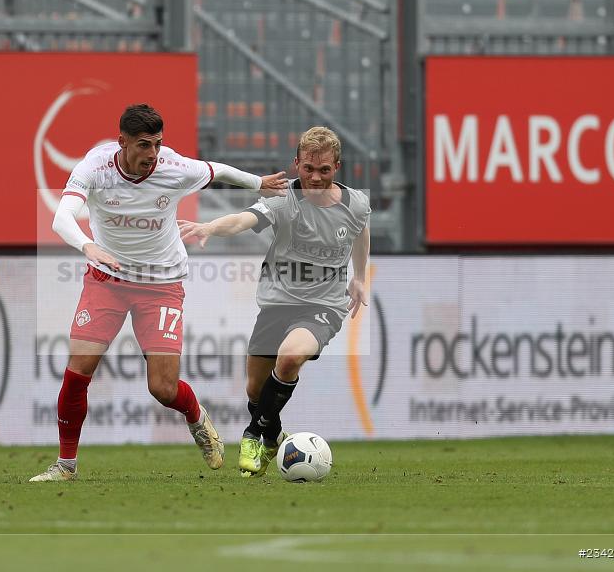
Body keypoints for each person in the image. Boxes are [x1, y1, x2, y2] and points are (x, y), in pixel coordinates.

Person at [30, 104, 288, 482]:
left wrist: (258, 183)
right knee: (78, 369)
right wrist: (89, 246)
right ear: (122, 143)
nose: (152, 154)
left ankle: (195, 415)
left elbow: (217, 170)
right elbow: (60, 216)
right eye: (143, 145)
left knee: (163, 388)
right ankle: (65, 466)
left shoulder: (173, 167)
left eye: (157, 144)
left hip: (162, 284)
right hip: (107, 280)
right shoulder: (94, 168)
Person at [178, 126, 370, 477]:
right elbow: (242, 220)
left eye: (324, 170)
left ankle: (253, 434)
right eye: (308, 169)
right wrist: (208, 228)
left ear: (337, 167)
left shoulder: (355, 203)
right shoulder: (283, 200)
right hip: (277, 304)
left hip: (323, 306)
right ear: (296, 164)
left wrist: (358, 277)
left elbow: (361, 231)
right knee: (255, 387)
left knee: (291, 356)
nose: (315, 177)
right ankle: (273, 434)